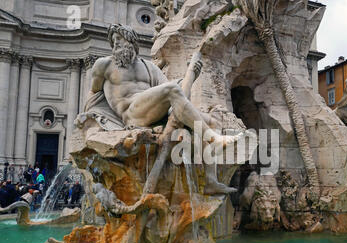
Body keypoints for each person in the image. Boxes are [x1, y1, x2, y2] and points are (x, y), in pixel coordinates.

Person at [82, 24, 239, 194]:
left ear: (131, 41)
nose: (115, 45)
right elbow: (94, 92)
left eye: (119, 40)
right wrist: (92, 118)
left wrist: (191, 75)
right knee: (173, 90)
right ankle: (212, 137)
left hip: (154, 113)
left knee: (212, 121)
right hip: (131, 113)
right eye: (113, 42)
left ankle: (210, 181)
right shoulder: (103, 65)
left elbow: (178, 92)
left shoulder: (149, 67)